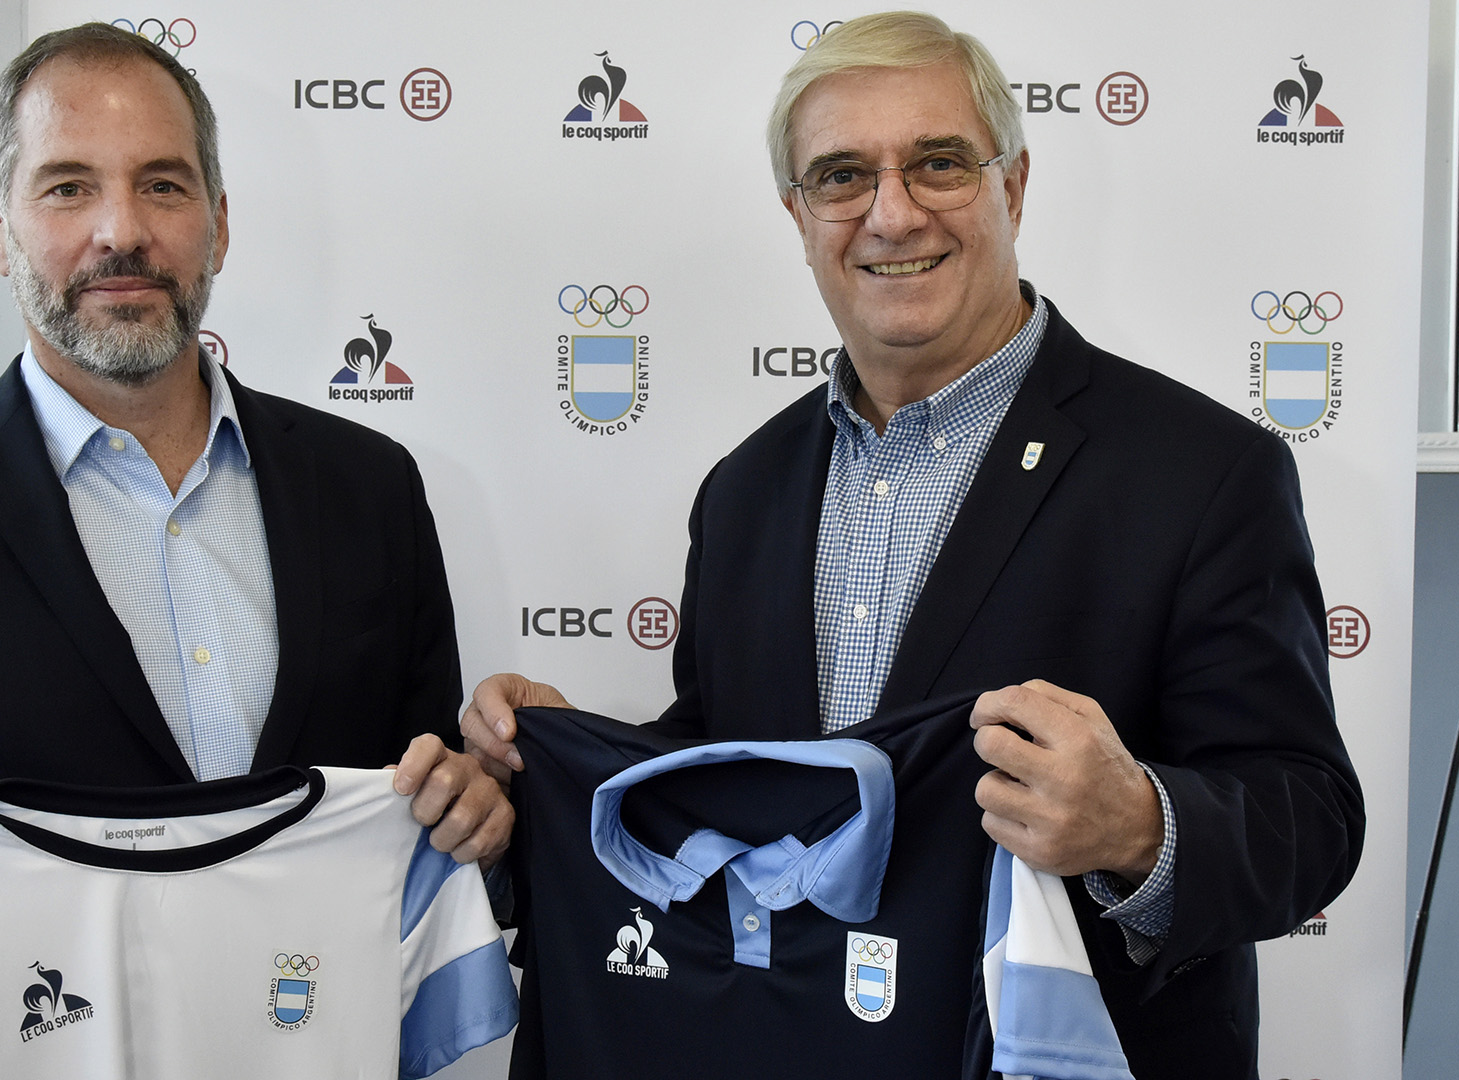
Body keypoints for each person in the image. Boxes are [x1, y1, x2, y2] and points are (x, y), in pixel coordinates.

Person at [463, 12, 1362, 1078]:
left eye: (938, 163)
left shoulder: (1201, 470)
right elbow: (731, 774)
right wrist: (561, 780)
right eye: (842, 177)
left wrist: (1139, 827)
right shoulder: (745, 492)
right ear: (799, 214)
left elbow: (1310, 817)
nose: (892, 214)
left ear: (1012, 187)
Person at [0, 23, 510, 1006]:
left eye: (162, 185)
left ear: (218, 223)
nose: (121, 230)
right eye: (68, 187)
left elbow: (430, 805)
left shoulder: (370, 487)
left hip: (311, 1042)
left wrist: (479, 811)